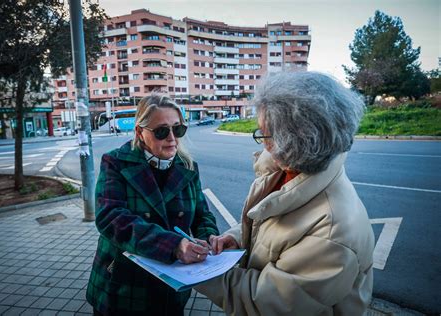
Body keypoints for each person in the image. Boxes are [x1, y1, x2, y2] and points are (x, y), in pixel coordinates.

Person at [195, 72, 375, 315]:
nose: (262, 143)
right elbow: (272, 225)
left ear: (295, 141)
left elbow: (265, 303)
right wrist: (237, 237)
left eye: (264, 134)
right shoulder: (288, 170)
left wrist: (197, 273)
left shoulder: (333, 233)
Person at [86, 94, 219, 316]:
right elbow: (110, 218)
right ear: (140, 132)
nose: (171, 138)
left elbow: (201, 215)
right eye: (161, 131)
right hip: (123, 286)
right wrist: (174, 245)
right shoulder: (116, 162)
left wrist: (208, 239)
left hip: (172, 288)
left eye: (177, 129)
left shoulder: (188, 166)